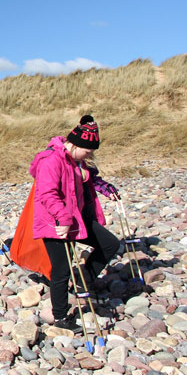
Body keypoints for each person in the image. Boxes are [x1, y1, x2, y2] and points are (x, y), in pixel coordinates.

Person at [30, 116, 120, 333]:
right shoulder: (51, 160)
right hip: (55, 222)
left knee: (110, 244)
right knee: (61, 270)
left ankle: (83, 278)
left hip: (75, 219)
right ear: (75, 145)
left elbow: (90, 179)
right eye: (87, 152)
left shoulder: (76, 160)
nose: (89, 156)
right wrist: (63, 219)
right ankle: (61, 317)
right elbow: (47, 193)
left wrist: (107, 190)